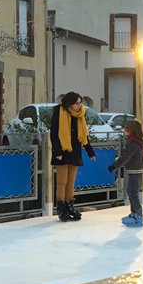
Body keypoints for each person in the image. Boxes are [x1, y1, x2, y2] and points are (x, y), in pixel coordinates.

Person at [49, 91, 95, 221]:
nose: (80, 105)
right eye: (77, 103)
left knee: (71, 182)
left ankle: (70, 206)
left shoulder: (80, 114)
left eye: (80, 103)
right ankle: (61, 208)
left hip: (75, 151)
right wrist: (57, 152)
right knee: (62, 181)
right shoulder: (59, 112)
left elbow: (84, 135)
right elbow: (54, 133)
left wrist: (90, 151)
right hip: (62, 151)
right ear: (69, 104)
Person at [108, 118, 143, 228]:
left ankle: (138, 215)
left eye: (126, 129)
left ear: (131, 131)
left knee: (132, 192)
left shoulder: (133, 143)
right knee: (131, 192)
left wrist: (114, 166)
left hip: (135, 170)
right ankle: (134, 213)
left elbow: (125, 157)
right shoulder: (134, 142)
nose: (124, 131)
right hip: (135, 169)